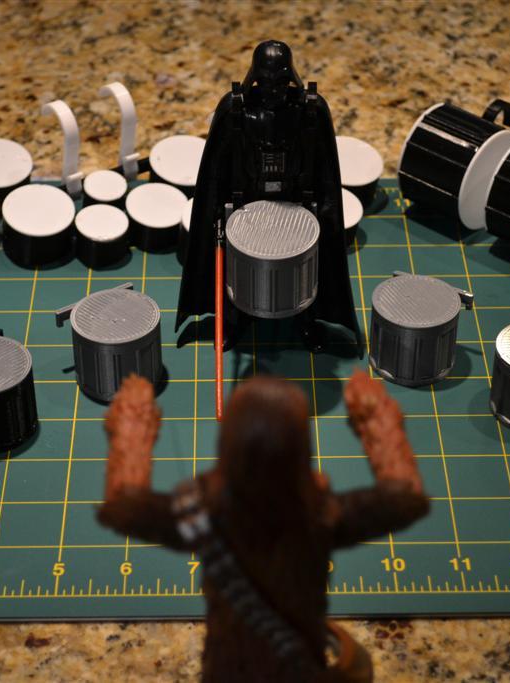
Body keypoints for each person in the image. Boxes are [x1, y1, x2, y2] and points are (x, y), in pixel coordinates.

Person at [98, 370, 429, 682]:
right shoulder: (320, 515)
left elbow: (124, 505)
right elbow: (404, 498)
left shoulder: (203, 513)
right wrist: (375, 417)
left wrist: (133, 421)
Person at [175, 40, 361, 352]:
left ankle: (306, 321)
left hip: (297, 206)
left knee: (307, 267)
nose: (273, 90)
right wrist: (215, 213)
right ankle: (234, 320)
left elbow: (326, 169)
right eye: (266, 82)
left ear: (291, 78)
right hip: (245, 207)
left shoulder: (309, 111)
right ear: (254, 78)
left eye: (280, 82)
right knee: (236, 270)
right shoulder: (236, 111)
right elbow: (215, 171)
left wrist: (327, 215)